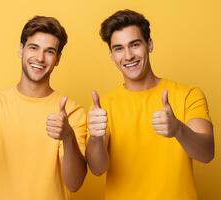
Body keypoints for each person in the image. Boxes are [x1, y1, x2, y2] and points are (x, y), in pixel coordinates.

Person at [86, 9, 214, 200]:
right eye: (119, 48)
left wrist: (178, 129)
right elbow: (97, 169)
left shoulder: (188, 95)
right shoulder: (102, 106)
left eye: (135, 44)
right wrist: (96, 139)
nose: (128, 56)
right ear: (112, 55)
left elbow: (207, 153)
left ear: (150, 45)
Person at [0, 16, 87, 200]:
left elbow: (75, 183)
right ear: (21, 50)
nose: (40, 58)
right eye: (33, 47)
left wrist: (67, 136)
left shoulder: (72, 112)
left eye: (49, 51)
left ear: (58, 59)